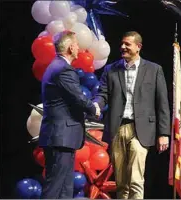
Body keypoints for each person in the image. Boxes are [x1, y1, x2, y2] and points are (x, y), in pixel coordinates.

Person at [93, 31, 170, 199]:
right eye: (122, 44)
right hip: (117, 128)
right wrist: (96, 104)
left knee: (135, 179)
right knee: (121, 182)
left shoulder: (154, 69)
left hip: (141, 129)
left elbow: (162, 102)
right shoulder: (110, 69)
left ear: (138, 47)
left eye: (127, 44)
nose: (122, 47)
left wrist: (164, 133)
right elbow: (103, 94)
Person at [39, 30, 100, 199]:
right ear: (71, 47)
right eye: (77, 45)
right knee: (55, 188)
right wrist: (94, 109)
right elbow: (78, 98)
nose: (79, 48)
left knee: (65, 188)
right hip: (61, 137)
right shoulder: (63, 70)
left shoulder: (55, 66)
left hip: (61, 137)